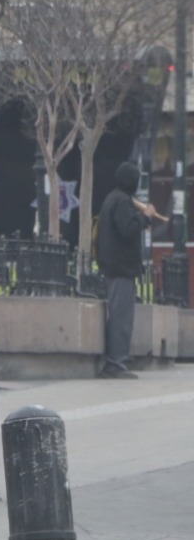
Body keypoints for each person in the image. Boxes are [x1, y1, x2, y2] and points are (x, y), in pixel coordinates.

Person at [95, 161, 154, 380]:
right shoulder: (121, 201)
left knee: (122, 314)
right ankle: (115, 363)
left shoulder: (115, 198)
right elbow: (127, 229)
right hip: (120, 268)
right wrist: (145, 217)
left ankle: (118, 359)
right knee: (121, 316)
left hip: (118, 266)